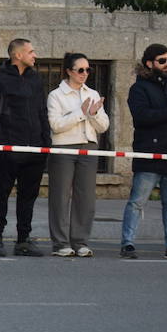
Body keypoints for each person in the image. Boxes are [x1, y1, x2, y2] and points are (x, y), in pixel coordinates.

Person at [120, 43, 167, 260]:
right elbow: (143, 117)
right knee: (137, 201)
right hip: (150, 152)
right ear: (149, 63)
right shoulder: (139, 89)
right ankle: (127, 243)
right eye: (162, 60)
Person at [0, 38, 50, 256]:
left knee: (28, 196)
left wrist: (45, 143)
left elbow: (42, 112)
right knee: (1, 193)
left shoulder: (35, 80)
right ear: (18, 55)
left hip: (35, 150)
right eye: (31, 52)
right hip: (10, 150)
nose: (35, 55)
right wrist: (3, 145)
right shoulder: (0, 81)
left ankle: (23, 239)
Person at [47, 52, 109, 257]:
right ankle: (60, 242)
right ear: (69, 71)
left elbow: (103, 126)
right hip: (64, 148)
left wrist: (94, 113)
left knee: (86, 197)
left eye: (88, 70)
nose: (84, 73)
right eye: (80, 70)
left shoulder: (92, 93)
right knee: (60, 196)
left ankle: (80, 241)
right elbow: (56, 126)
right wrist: (81, 113)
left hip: (88, 146)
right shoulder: (56, 95)